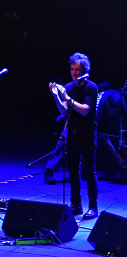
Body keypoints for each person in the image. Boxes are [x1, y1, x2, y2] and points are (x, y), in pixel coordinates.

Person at [47, 53, 99, 218]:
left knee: (89, 171)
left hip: (87, 134)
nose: (74, 72)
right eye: (72, 69)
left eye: (77, 69)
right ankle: (76, 205)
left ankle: (93, 206)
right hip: (72, 133)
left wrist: (67, 98)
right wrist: (56, 95)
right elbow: (64, 111)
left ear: (84, 70)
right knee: (72, 171)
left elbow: (84, 110)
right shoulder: (69, 87)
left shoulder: (91, 87)